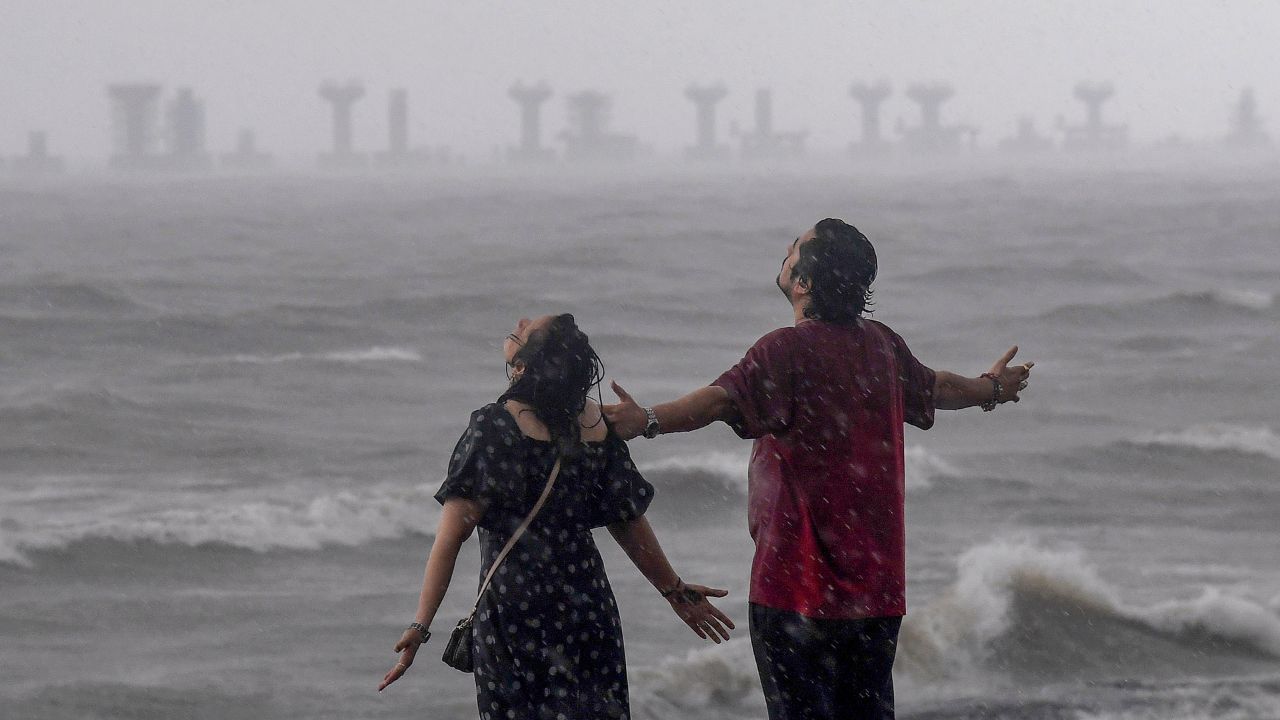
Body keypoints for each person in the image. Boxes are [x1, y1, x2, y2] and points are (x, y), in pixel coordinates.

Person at [604, 219, 1034, 720]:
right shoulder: (882, 345)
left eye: (795, 249)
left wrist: (647, 420)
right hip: (877, 591)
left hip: (795, 587)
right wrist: (993, 390)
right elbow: (936, 387)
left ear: (804, 283)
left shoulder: (785, 349)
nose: (786, 250)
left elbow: (720, 402)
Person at [378, 313, 734, 720]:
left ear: (523, 365)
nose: (520, 320)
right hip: (587, 609)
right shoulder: (599, 428)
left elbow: (451, 536)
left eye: (528, 329)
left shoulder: (494, 427)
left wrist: (421, 626)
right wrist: (673, 589)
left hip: (516, 614)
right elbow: (627, 520)